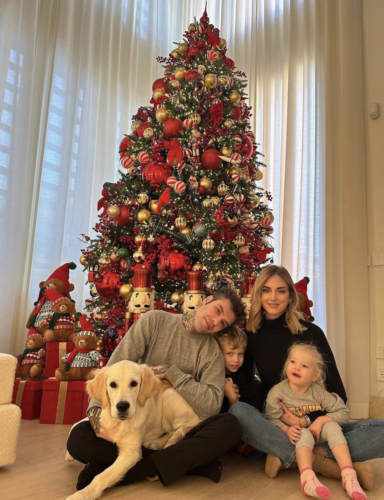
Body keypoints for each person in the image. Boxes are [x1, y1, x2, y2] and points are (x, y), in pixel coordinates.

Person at [67, 287, 246, 490]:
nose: (215, 321)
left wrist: (172, 372)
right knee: (78, 440)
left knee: (231, 425)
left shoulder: (211, 352)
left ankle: (120, 470)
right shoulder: (154, 321)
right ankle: (184, 464)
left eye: (223, 323)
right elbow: (112, 369)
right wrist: (95, 412)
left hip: (176, 429)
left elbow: (211, 407)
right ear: (208, 300)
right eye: (218, 310)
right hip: (135, 421)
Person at [228, 265, 384, 491]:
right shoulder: (251, 334)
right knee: (238, 412)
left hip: (316, 425)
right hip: (281, 426)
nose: (273, 297)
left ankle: (297, 458)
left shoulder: (312, 333)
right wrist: (274, 417)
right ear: (258, 294)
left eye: (281, 291)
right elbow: (247, 385)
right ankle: (324, 462)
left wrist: (310, 421)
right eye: (266, 290)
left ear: (291, 296)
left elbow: (338, 393)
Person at [265, 343, 368, 500]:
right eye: (293, 362)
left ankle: (349, 475)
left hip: (319, 435)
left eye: (304, 365)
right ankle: (307, 478)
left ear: (315, 375)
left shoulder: (318, 392)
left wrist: (321, 420)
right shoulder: (277, 393)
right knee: (303, 433)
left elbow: (343, 411)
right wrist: (285, 429)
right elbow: (270, 418)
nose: (297, 367)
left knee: (332, 426)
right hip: (295, 437)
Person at [215, 325, 250, 412]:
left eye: (240, 354)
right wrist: (232, 397)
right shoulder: (214, 376)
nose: (236, 360)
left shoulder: (239, 374)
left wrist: (233, 398)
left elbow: (246, 406)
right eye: (230, 353)